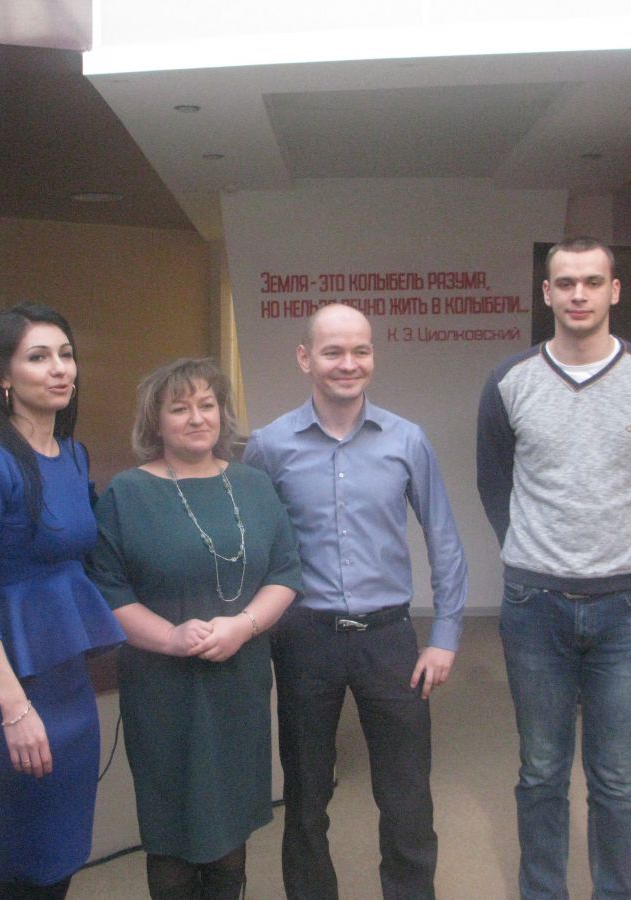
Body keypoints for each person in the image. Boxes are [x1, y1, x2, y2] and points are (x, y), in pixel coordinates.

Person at [476, 236, 631, 900]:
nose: (579, 294)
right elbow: (493, 482)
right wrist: (532, 550)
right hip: (534, 606)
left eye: (592, 282)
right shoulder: (509, 381)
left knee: (616, 778)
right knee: (541, 770)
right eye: (565, 283)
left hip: (629, 611)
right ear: (546, 293)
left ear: (614, 291)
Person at [243, 302, 469, 900]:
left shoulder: (407, 440)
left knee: (407, 795)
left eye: (360, 350)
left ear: (373, 355)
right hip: (304, 639)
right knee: (306, 795)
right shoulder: (268, 446)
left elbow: (444, 538)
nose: (349, 363)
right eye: (333, 352)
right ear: (305, 358)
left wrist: (445, 636)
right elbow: (250, 547)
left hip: (390, 639)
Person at [0, 304, 126, 899]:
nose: (60, 368)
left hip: (69, 691)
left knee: (61, 860)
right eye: (39, 357)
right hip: (10, 698)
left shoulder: (73, 455)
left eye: (66, 355)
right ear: (2, 376)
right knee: (24, 867)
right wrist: (15, 711)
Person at [87, 358, 301, 900]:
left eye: (207, 405)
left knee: (231, 823)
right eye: (179, 408)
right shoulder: (126, 494)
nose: (197, 417)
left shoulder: (254, 485)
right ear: (155, 422)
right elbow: (108, 590)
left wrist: (244, 627)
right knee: (172, 829)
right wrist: (170, 637)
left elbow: (285, 573)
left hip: (239, 681)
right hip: (162, 688)